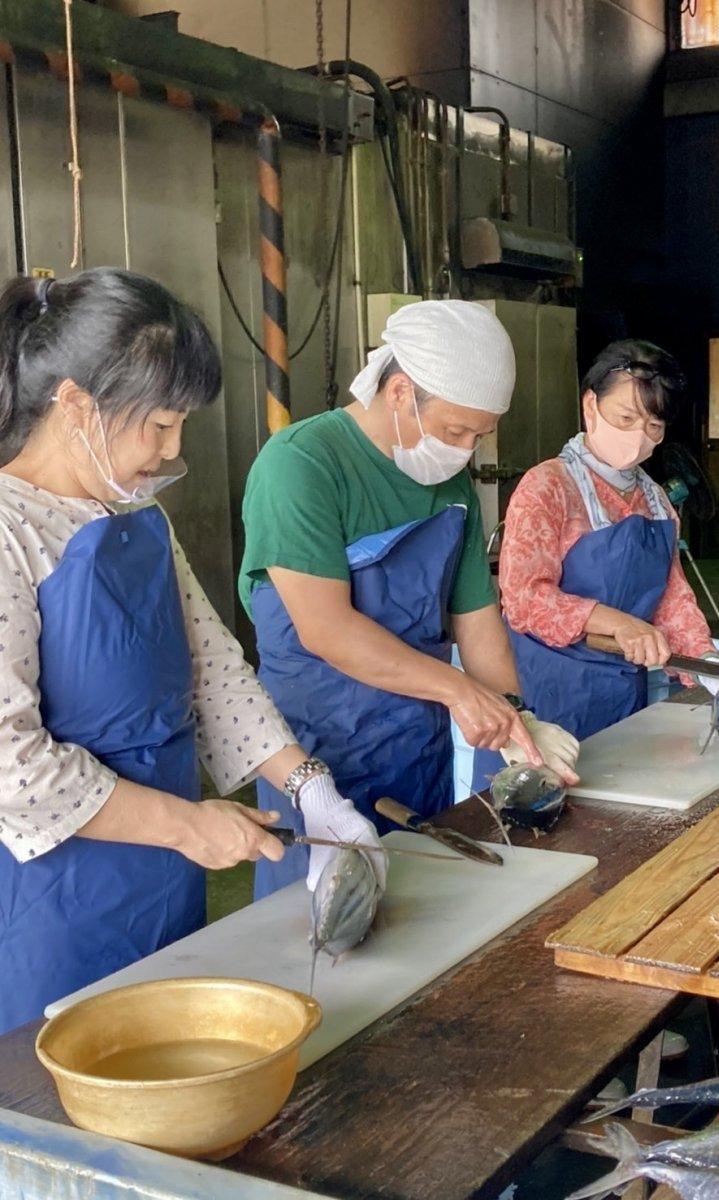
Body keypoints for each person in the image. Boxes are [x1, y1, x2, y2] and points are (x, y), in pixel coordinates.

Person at [0, 268, 382, 1036]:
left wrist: (310, 790)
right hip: (54, 896)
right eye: (160, 425)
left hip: (165, 877)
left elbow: (212, 671)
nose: (173, 450)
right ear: (75, 405)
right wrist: (184, 825)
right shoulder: (11, 531)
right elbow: (12, 762)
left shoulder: (138, 519)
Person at [240, 300, 580, 899]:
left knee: (422, 916)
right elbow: (325, 629)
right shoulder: (300, 465)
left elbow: (476, 619)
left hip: (414, 751)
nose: (467, 451)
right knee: (322, 931)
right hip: (317, 756)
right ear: (399, 392)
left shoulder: (449, 486)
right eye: (456, 431)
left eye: (481, 434)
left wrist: (513, 719)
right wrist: (457, 691)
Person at [499, 338, 719, 743]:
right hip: (549, 695)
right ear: (590, 406)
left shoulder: (655, 500)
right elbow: (524, 599)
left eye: (653, 426)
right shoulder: (548, 487)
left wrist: (708, 666)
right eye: (625, 418)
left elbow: (672, 599)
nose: (638, 436)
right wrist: (619, 623)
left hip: (623, 692)